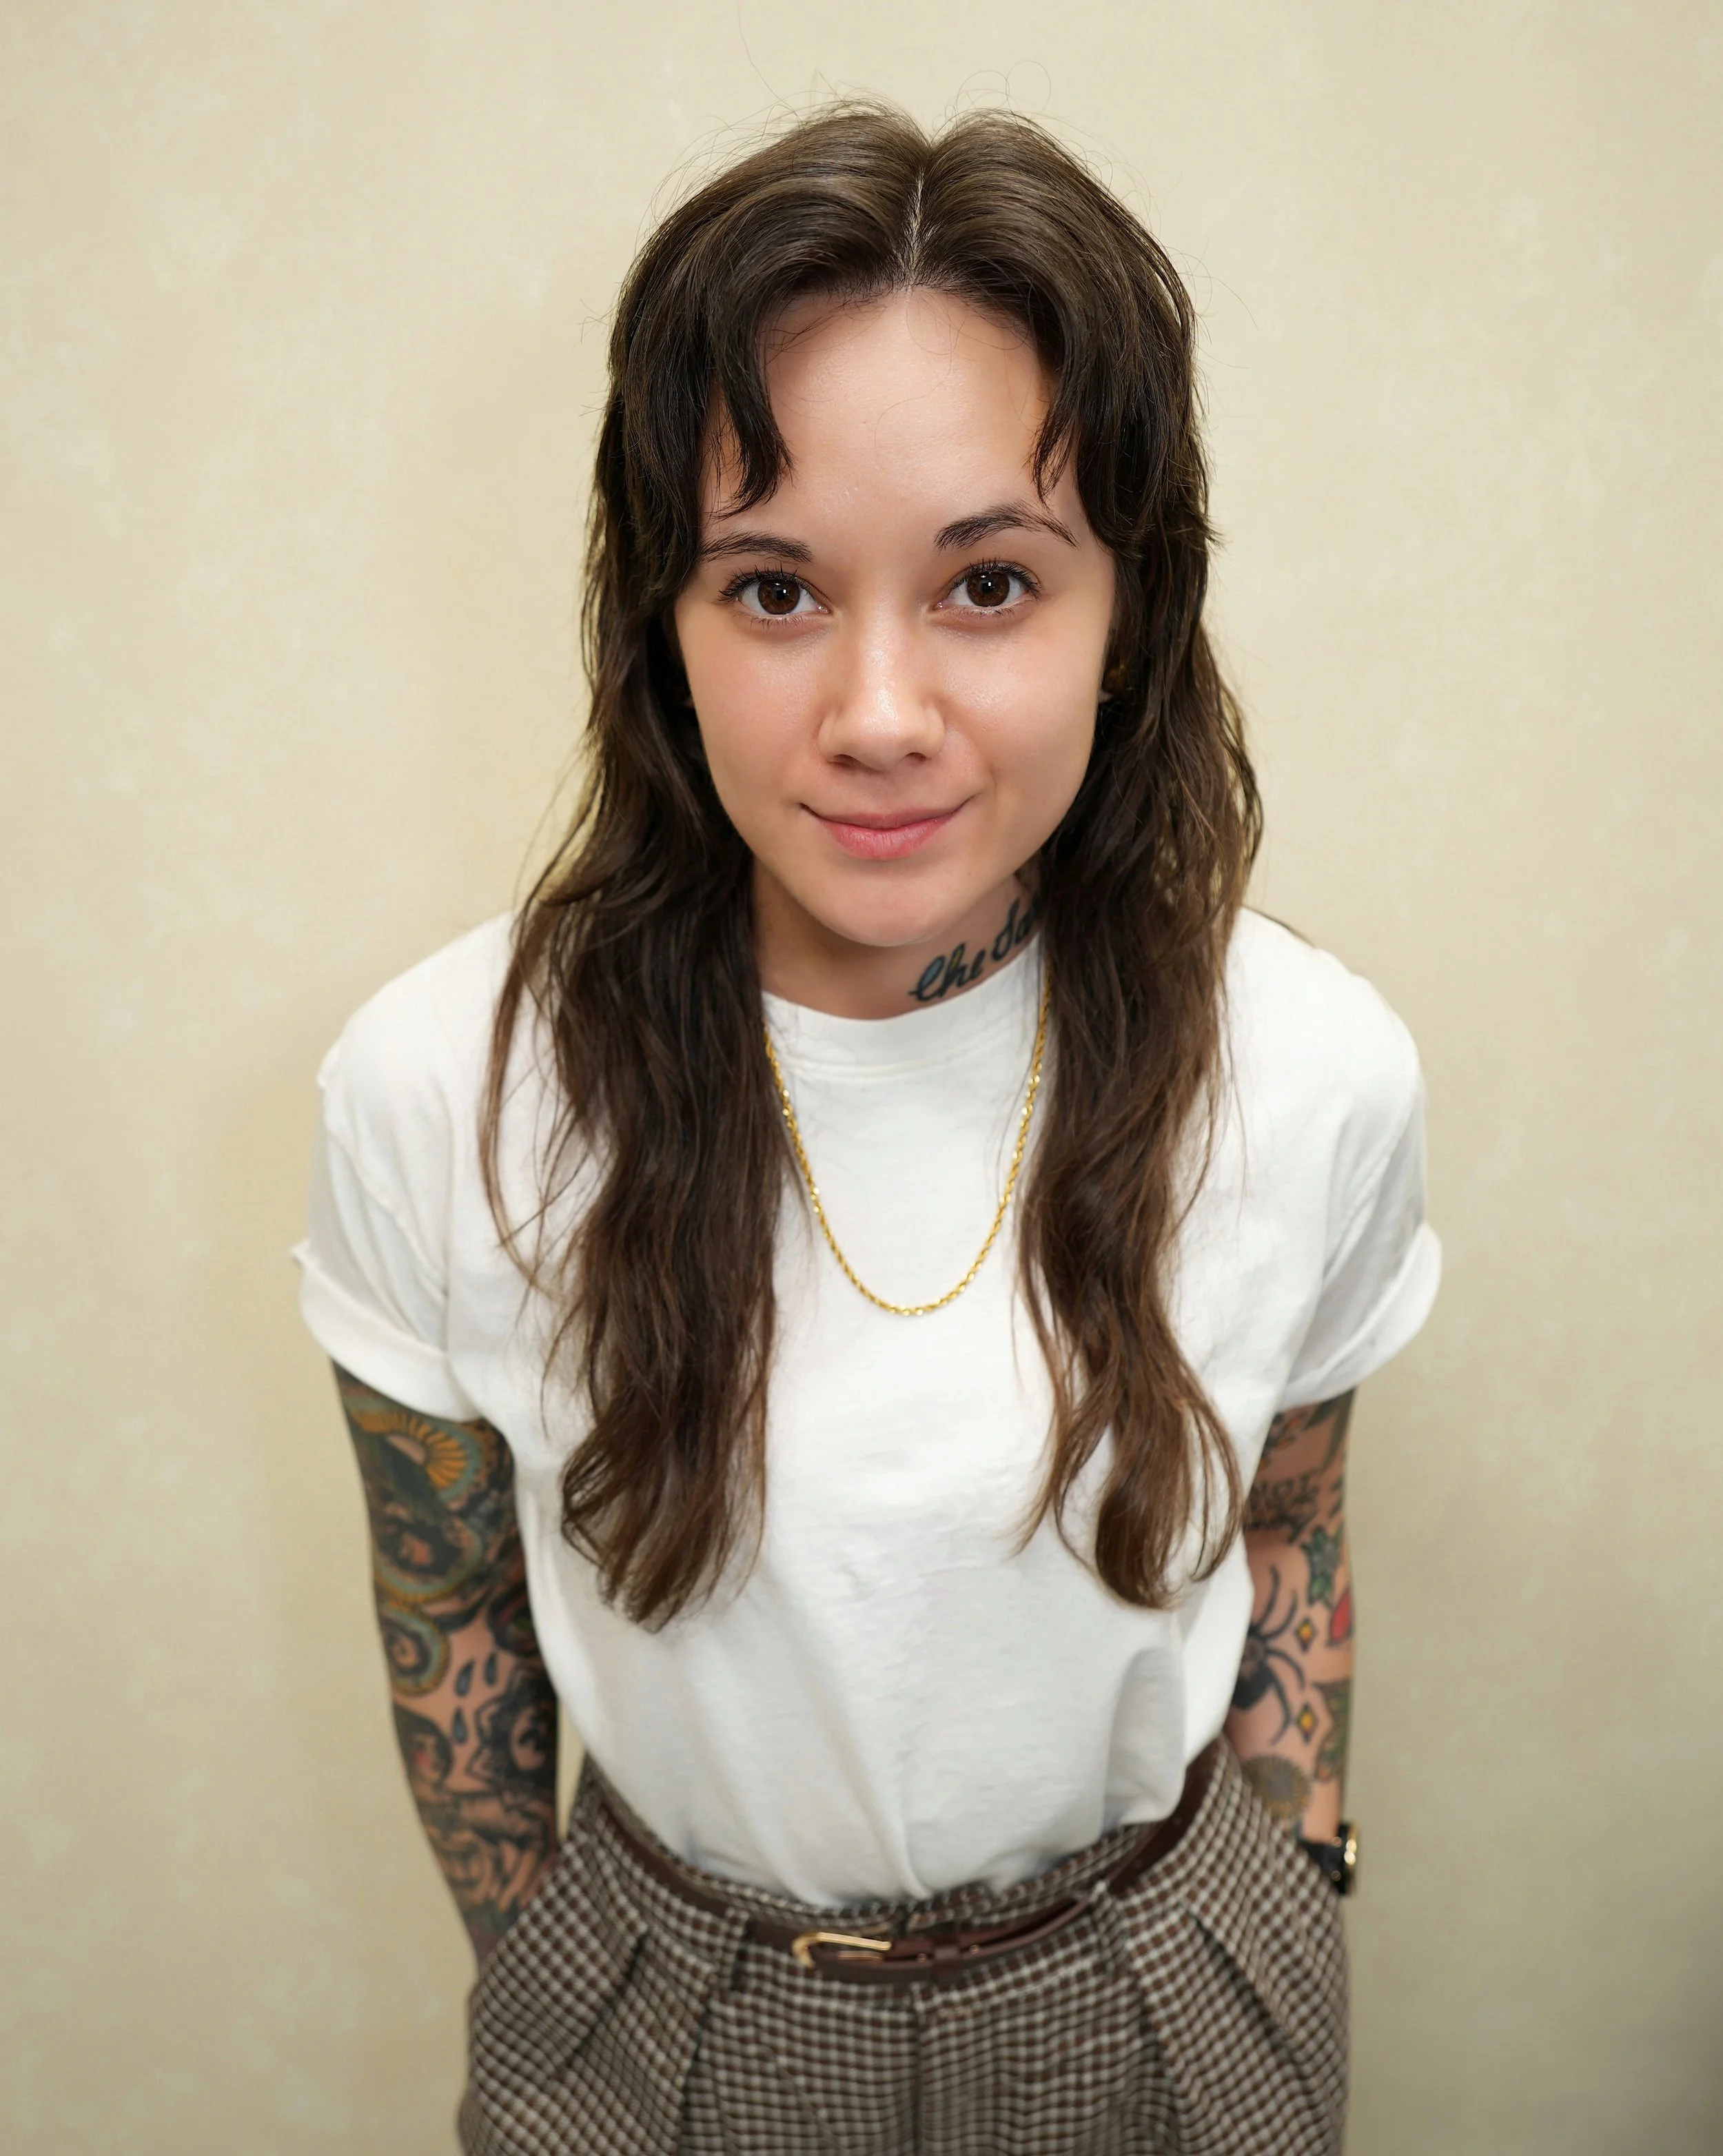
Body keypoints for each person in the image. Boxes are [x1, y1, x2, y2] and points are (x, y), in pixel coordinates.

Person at [294, 103, 1439, 2156]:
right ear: (661, 619)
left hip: (1168, 1988)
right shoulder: (435, 1087)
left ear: (1128, 615)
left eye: (989, 583)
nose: (881, 710)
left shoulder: (1312, 1065)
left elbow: (1291, 1527)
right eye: (774, 589)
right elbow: (446, 1606)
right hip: (668, 2018)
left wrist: (1304, 1871)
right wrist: (562, 1970)